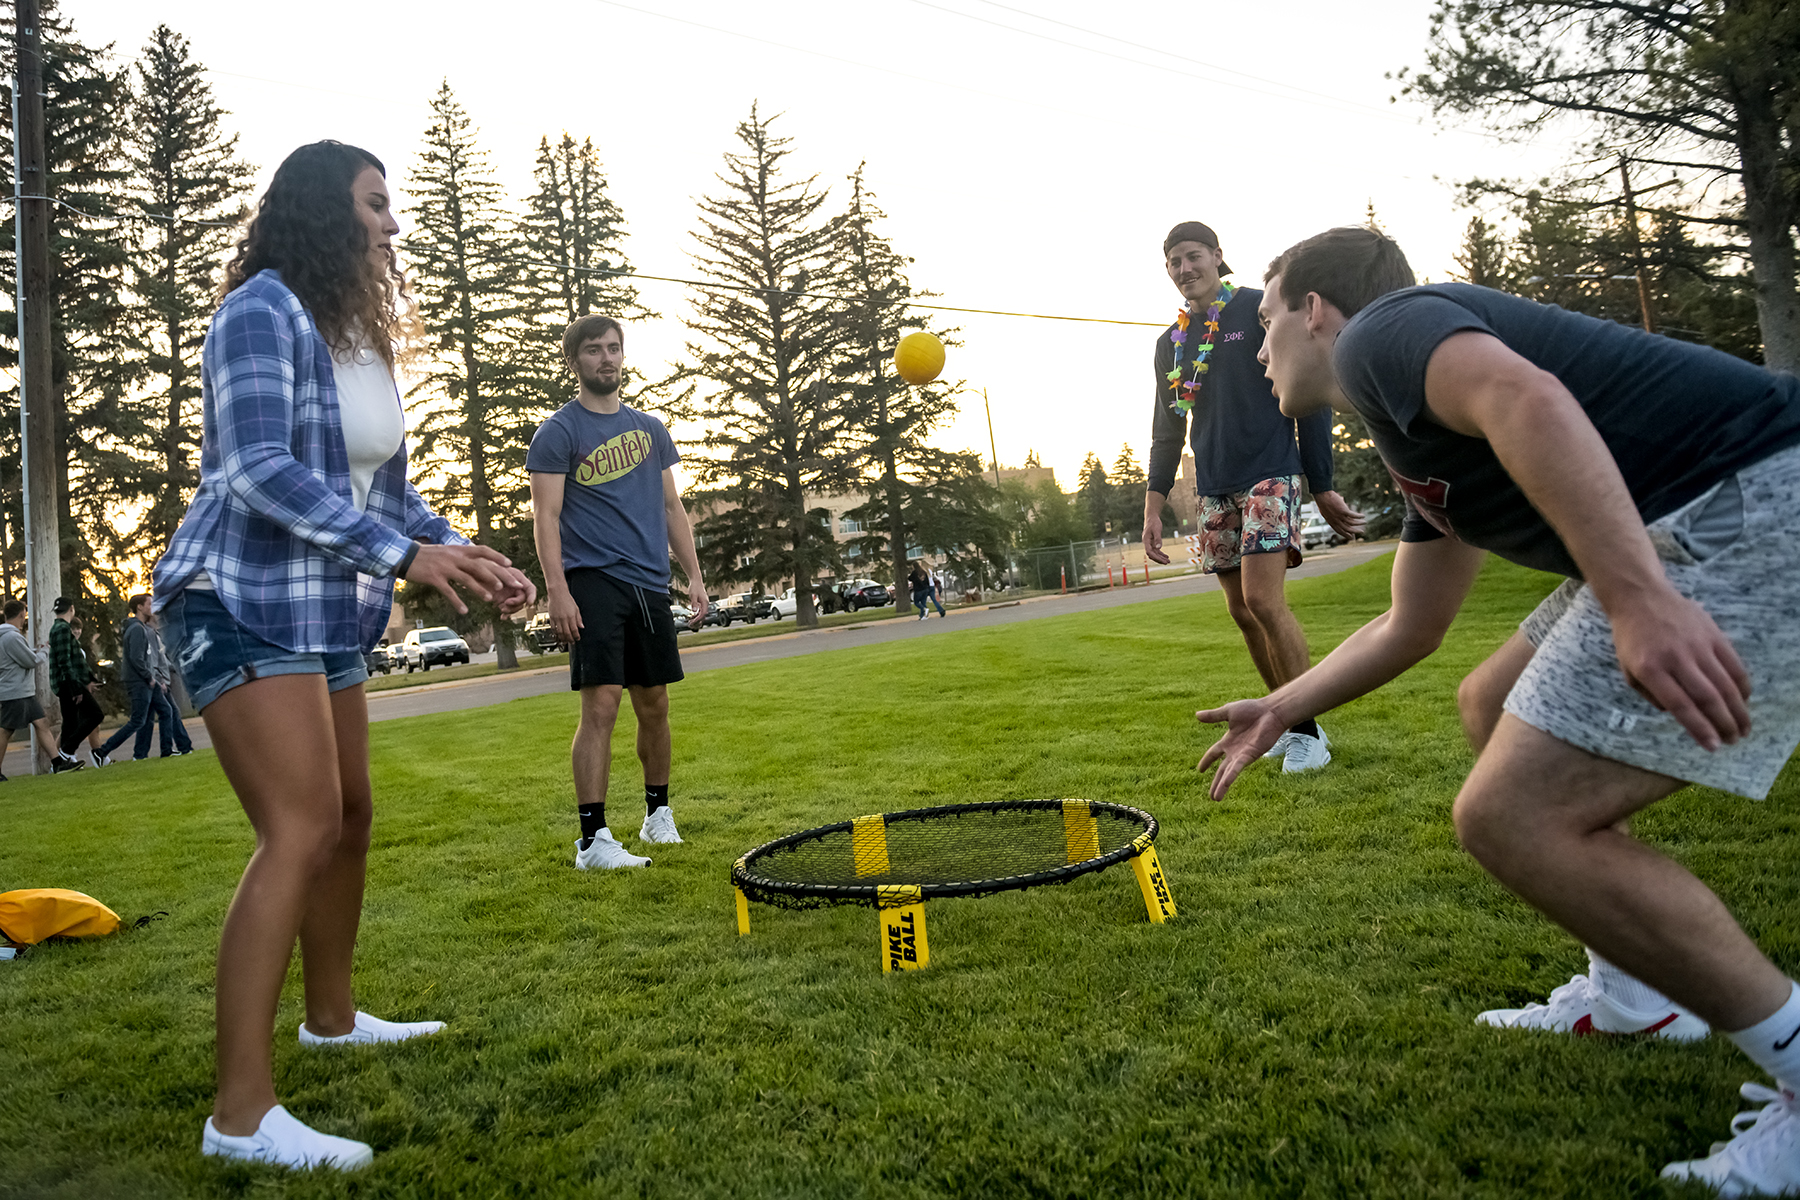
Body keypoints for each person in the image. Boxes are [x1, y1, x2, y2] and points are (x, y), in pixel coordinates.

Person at [1197, 224, 1800, 1194]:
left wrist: (1639, 599)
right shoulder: (1409, 428)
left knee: (1511, 817)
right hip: (1692, 515)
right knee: (1494, 698)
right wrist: (1283, 706)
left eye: (1266, 321)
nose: (1258, 348)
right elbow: (1411, 625)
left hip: (1759, 493)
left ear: (1316, 311)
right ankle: (1635, 997)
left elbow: (1527, 397)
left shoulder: (1384, 333)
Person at [151, 140, 534, 1171]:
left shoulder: (358, 337)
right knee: (303, 824)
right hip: (236, 597)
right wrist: (401, 553)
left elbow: (384, 494)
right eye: (375, 204)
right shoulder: (260, 312)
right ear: (326, 210)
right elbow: (258, 469)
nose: (392, 225)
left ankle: (330, 1018)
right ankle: (239, 1117)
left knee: (352, 811)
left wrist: (457, 549)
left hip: (324, 617)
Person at [1143, 221, 1363, 775]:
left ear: (1218, 256)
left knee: (1265, 600)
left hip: (1271, 471)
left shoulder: (1256, 310)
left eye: (1193, 256)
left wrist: (1322, 482)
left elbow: (1307, 391)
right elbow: (1166, 430)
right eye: (1174, 262)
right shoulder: (1170, 344)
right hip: (1214, 484)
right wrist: (1153, 503)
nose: (1184, 268)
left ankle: (1309, 731)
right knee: (1242, 611)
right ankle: (1285, 722)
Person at [528, 314, 708, 871]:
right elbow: (546, 516)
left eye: (613, 349)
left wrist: (694, 575)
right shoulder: (559, 432)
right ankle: (593, 840)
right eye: (593, 351)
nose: (606, 359)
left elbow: (671, 506)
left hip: (650, 583)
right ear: (575, 361)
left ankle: (657, 817)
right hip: (594, 581)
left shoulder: (651, 429)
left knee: (655, 703)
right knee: (601, 705)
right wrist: (557, 591)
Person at [0, 599, 81, 776]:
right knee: (6, 730)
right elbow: (30, 661)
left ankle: (57, 763)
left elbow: (21, 657)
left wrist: (36, 650)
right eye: (24, 615)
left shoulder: (7, 636)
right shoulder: (12, 637)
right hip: (15, 691)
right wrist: (45, 650)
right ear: (21, 614)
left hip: (22, 691)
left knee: (41, 723)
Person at [97, 594, 157, 762]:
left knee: (156, 714)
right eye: (149, 604)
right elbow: (136, 657)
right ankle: (101, 752)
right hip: (138, 680)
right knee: (138, 720)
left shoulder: (138, 627)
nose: (152, 607)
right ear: (139, 607)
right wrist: (148, 676)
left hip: (143, 679)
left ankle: (140, 754)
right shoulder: (137, 629)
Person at [48, 600, 107, 766]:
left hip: (67, 682)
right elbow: (64, 661)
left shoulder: (60, 628)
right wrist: (76, 687)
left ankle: (60, 763)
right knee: (95, 715)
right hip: (68, 682)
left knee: (71, 722)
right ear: (71, 609)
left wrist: (89, 679)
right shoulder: (62, 629)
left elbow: (75, 660)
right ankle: (66, 752)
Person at [144, 607, 193, 757]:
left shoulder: (157, 633)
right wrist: (160, 678)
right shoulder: (148, 633)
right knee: (166, 712)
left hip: (162, 677)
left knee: (154, 716)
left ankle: (181, 745)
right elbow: (154, 659)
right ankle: (178, 746)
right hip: (157, 679)